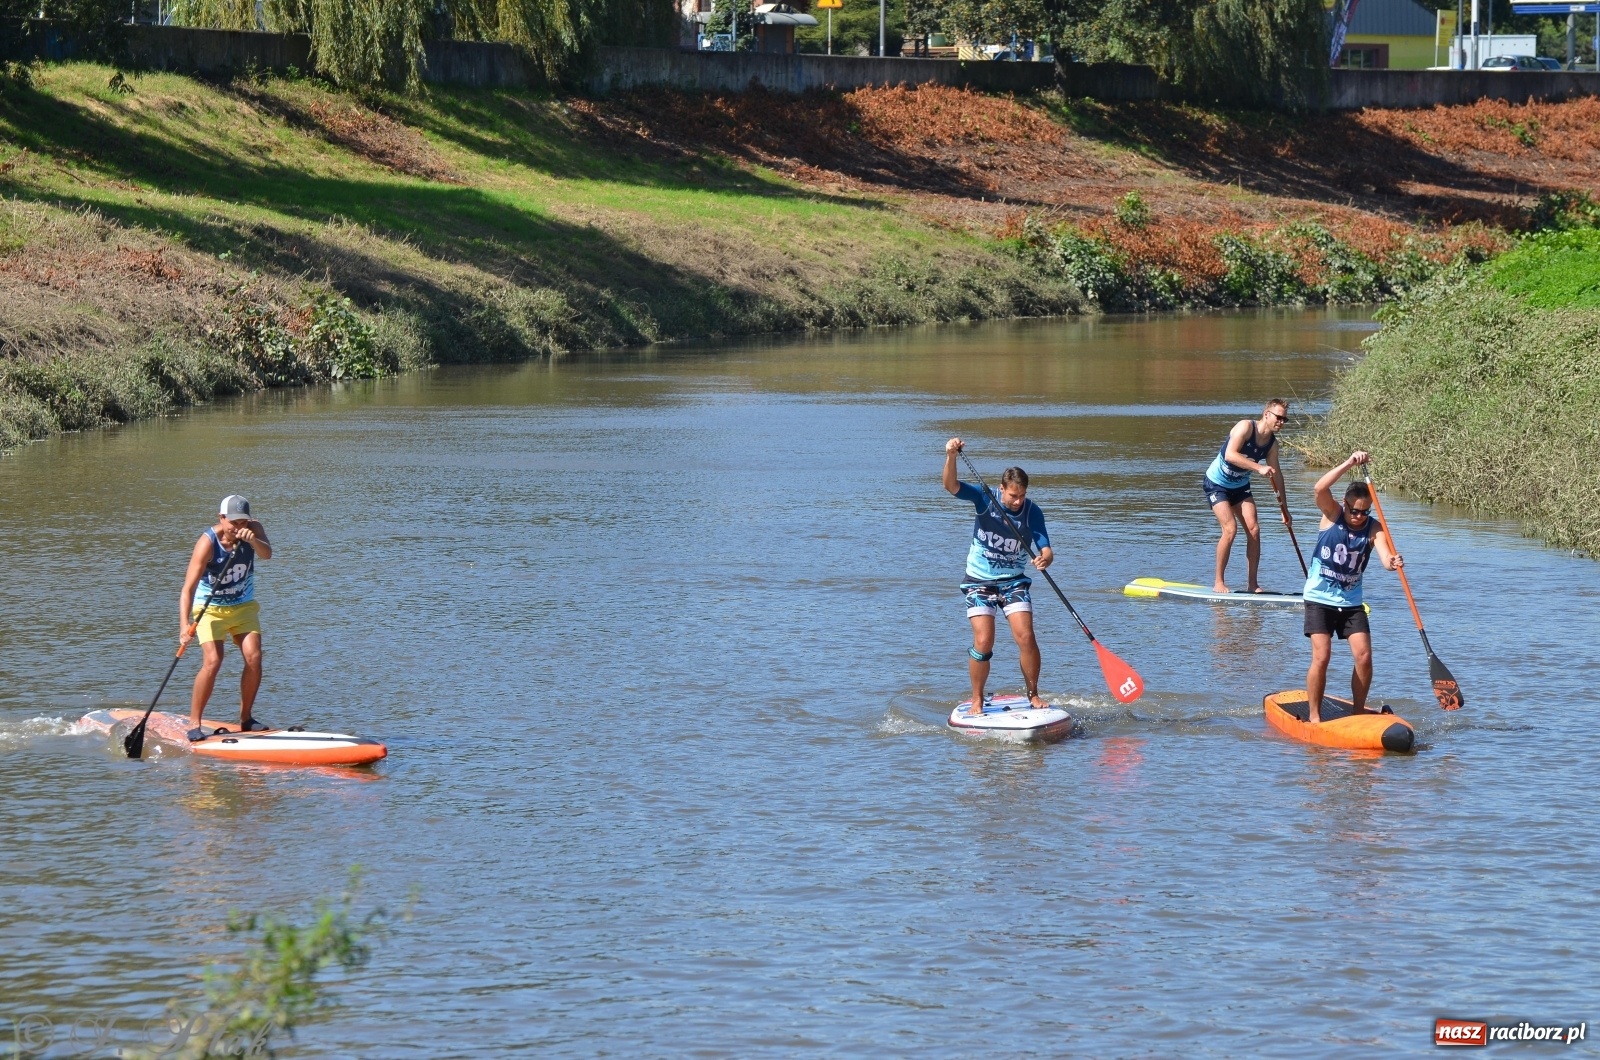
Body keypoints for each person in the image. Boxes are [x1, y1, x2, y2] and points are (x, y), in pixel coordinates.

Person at [943, 438, 1054, 715]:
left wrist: (1044, 559)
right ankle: (977, 699)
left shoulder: (1032, 511)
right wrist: (951, 456)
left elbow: (1047, 549)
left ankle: (1033, 695)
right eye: (1012, 495)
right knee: (984, 641)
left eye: (1022, 496)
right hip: (979, 582)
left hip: (1014, 581)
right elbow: (951, 486)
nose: (1017, 501)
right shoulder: (984, 498)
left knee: (1026, 637)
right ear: (1001, 488)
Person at [1302, 452, 1402, 723]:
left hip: (1350, 602)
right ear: (1344, 505)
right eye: (1354, 510)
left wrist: (1392, 561)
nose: (1358, 516)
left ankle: (1358, 712)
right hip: (1319, 598)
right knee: (1322, 656)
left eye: (1364, 511)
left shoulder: (1373, 527)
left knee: (1364, 656)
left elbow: (1384, 557)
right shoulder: (1332, 514)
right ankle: (1314, 716)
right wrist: (1348, 463)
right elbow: (1319, 488)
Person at [180, 495, 272, 741]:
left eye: (243, 522)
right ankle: (194, 723)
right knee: (213, 660)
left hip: (243, 606)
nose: (238, 527)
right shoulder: (207, 542)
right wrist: (184, 626)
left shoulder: (254, 530)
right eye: (233, 522)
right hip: (209, 610)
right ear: (221, 518)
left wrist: (254, 541)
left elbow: (267, 555)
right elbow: (187, 588)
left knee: (254, 657)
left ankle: (246, 718)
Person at [1204, 399, 1291, 594]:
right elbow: (1230, 455)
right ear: (1267, 414)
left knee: (1254, 530)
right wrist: (1259, 467)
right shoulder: (1245, 427)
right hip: (1216, 484)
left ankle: (1252, 585)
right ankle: (1219, 582)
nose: (1282, 422)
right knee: (1230, 529)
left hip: (1240, 486)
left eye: (1285, 419)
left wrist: (1284, 509)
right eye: (1279, 417)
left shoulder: (1272, 445)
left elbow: (1277, 475)